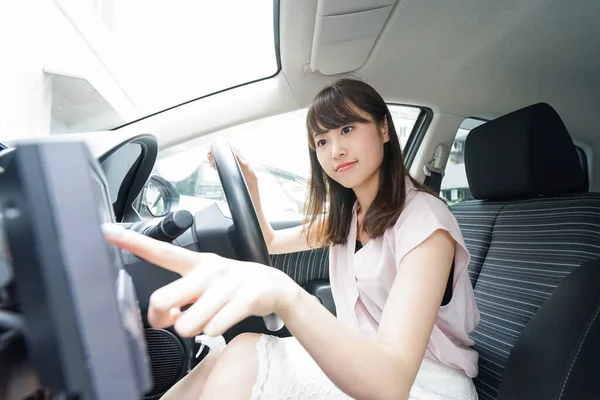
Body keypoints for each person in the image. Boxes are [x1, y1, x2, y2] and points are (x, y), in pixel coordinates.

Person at [103, 78, 480, 399]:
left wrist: (287, 295)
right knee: (226, 353)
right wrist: (249, 185)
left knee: (245, 353)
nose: (336, 151)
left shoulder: (427, 222)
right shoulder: (351, 217)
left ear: (384, 129)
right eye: (322, 141)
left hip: (424, 384)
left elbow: (390, 383)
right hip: (368, 363)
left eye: (348, 129)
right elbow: (268, 240)